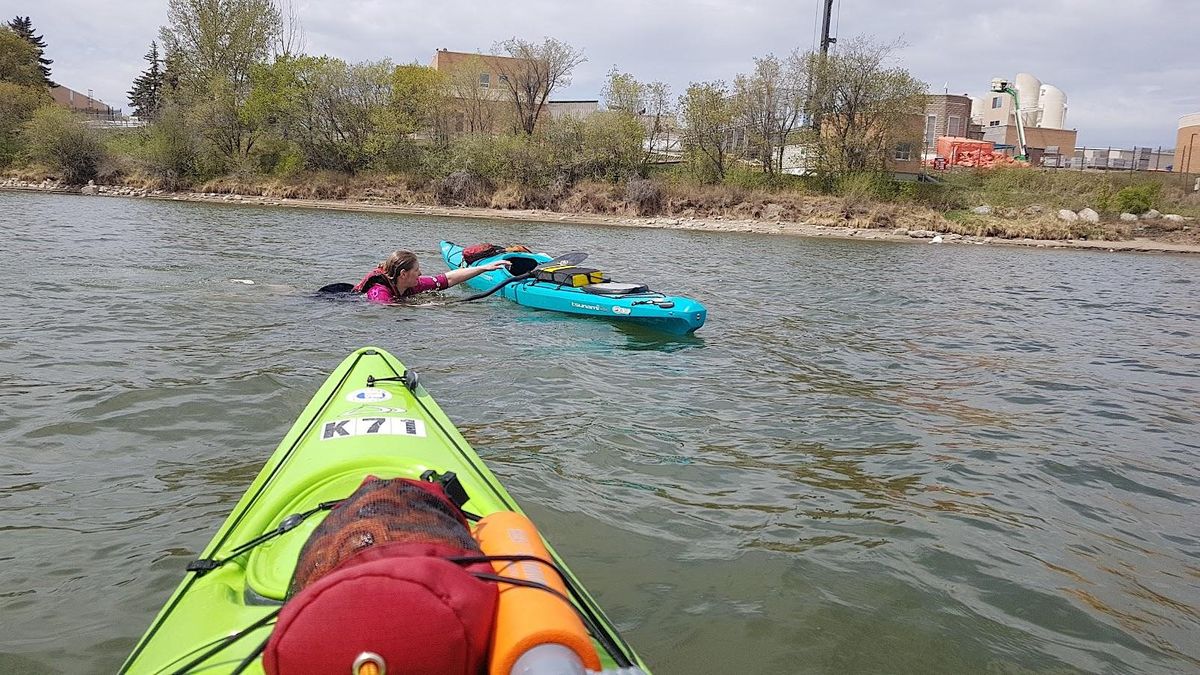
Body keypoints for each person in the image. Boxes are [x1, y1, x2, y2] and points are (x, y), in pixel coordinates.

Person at [352, 249, 510, 303]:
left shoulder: (413, 283)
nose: (420, 274)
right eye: (416, 270)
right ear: (403, 274)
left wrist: (484, 268)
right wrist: (421, 306)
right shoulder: (378, 292)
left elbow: (447, 279)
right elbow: (385, 309)